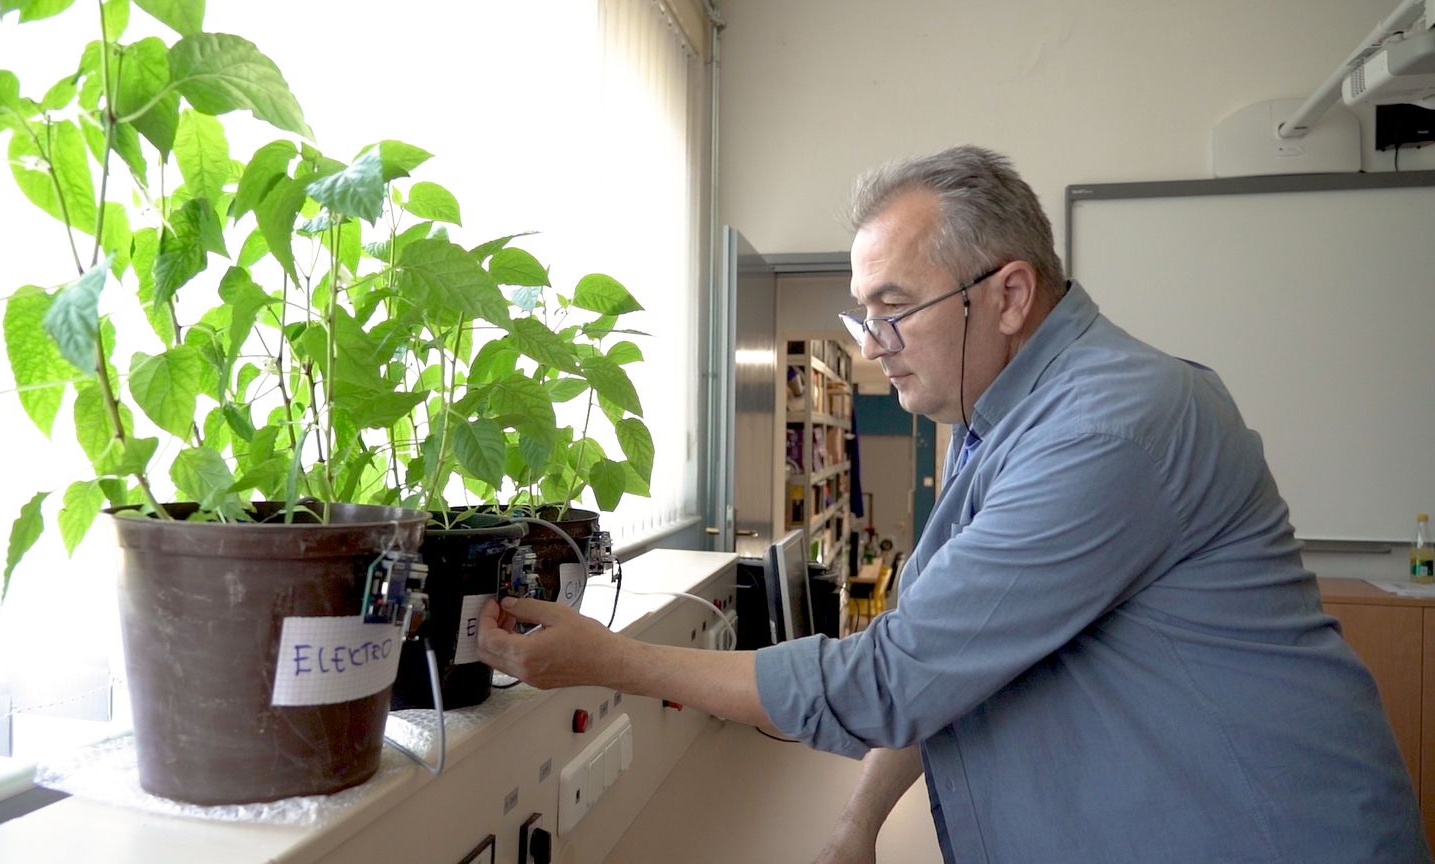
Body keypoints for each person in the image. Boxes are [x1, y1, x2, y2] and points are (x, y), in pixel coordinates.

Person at [477, 145, 1428, 863]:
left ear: (1008, 296)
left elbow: (895, 678)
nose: (872, 345)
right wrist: (858, 821)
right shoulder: (998, 424)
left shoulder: (1107, 427)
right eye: (863, 314)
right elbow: (958, 664)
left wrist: (608, 660)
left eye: (893, 309)